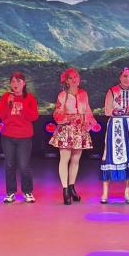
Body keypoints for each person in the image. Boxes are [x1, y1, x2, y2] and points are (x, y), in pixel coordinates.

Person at [50, 67, 96, 205]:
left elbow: (88, 110)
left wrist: (90, 123)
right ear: (66, 81)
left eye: (76, 77)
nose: (74, 79)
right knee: (65, 159)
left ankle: (71, 188)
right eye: (71, 78)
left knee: (75, 160)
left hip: (80, 129)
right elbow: (57, 113)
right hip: (66, 129)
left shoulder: (83, 94)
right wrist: (67, 118)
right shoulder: (62, 95)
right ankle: (65, 190)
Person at [100, 67, 129, 204]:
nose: (128, 79)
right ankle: (105, 193)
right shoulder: (112, 91)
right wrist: (122, 110)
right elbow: (107, 110)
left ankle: (127, 193)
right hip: (116, 126)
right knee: (110, 156)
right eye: (125, 76)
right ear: (120, 77)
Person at [0, 71, 39, 204]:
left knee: (23, 165)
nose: (16, 84)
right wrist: (7, 103)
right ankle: (10, 192)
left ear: (24, 83)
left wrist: (22, 107)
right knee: (9, 164)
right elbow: (0, 115)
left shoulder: (30, 98)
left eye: (19, 81)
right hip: (8, 135)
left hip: (24, 136)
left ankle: (27, 191)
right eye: (13, 81)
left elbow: (34, 117)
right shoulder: (6, 97)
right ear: (10, 84)